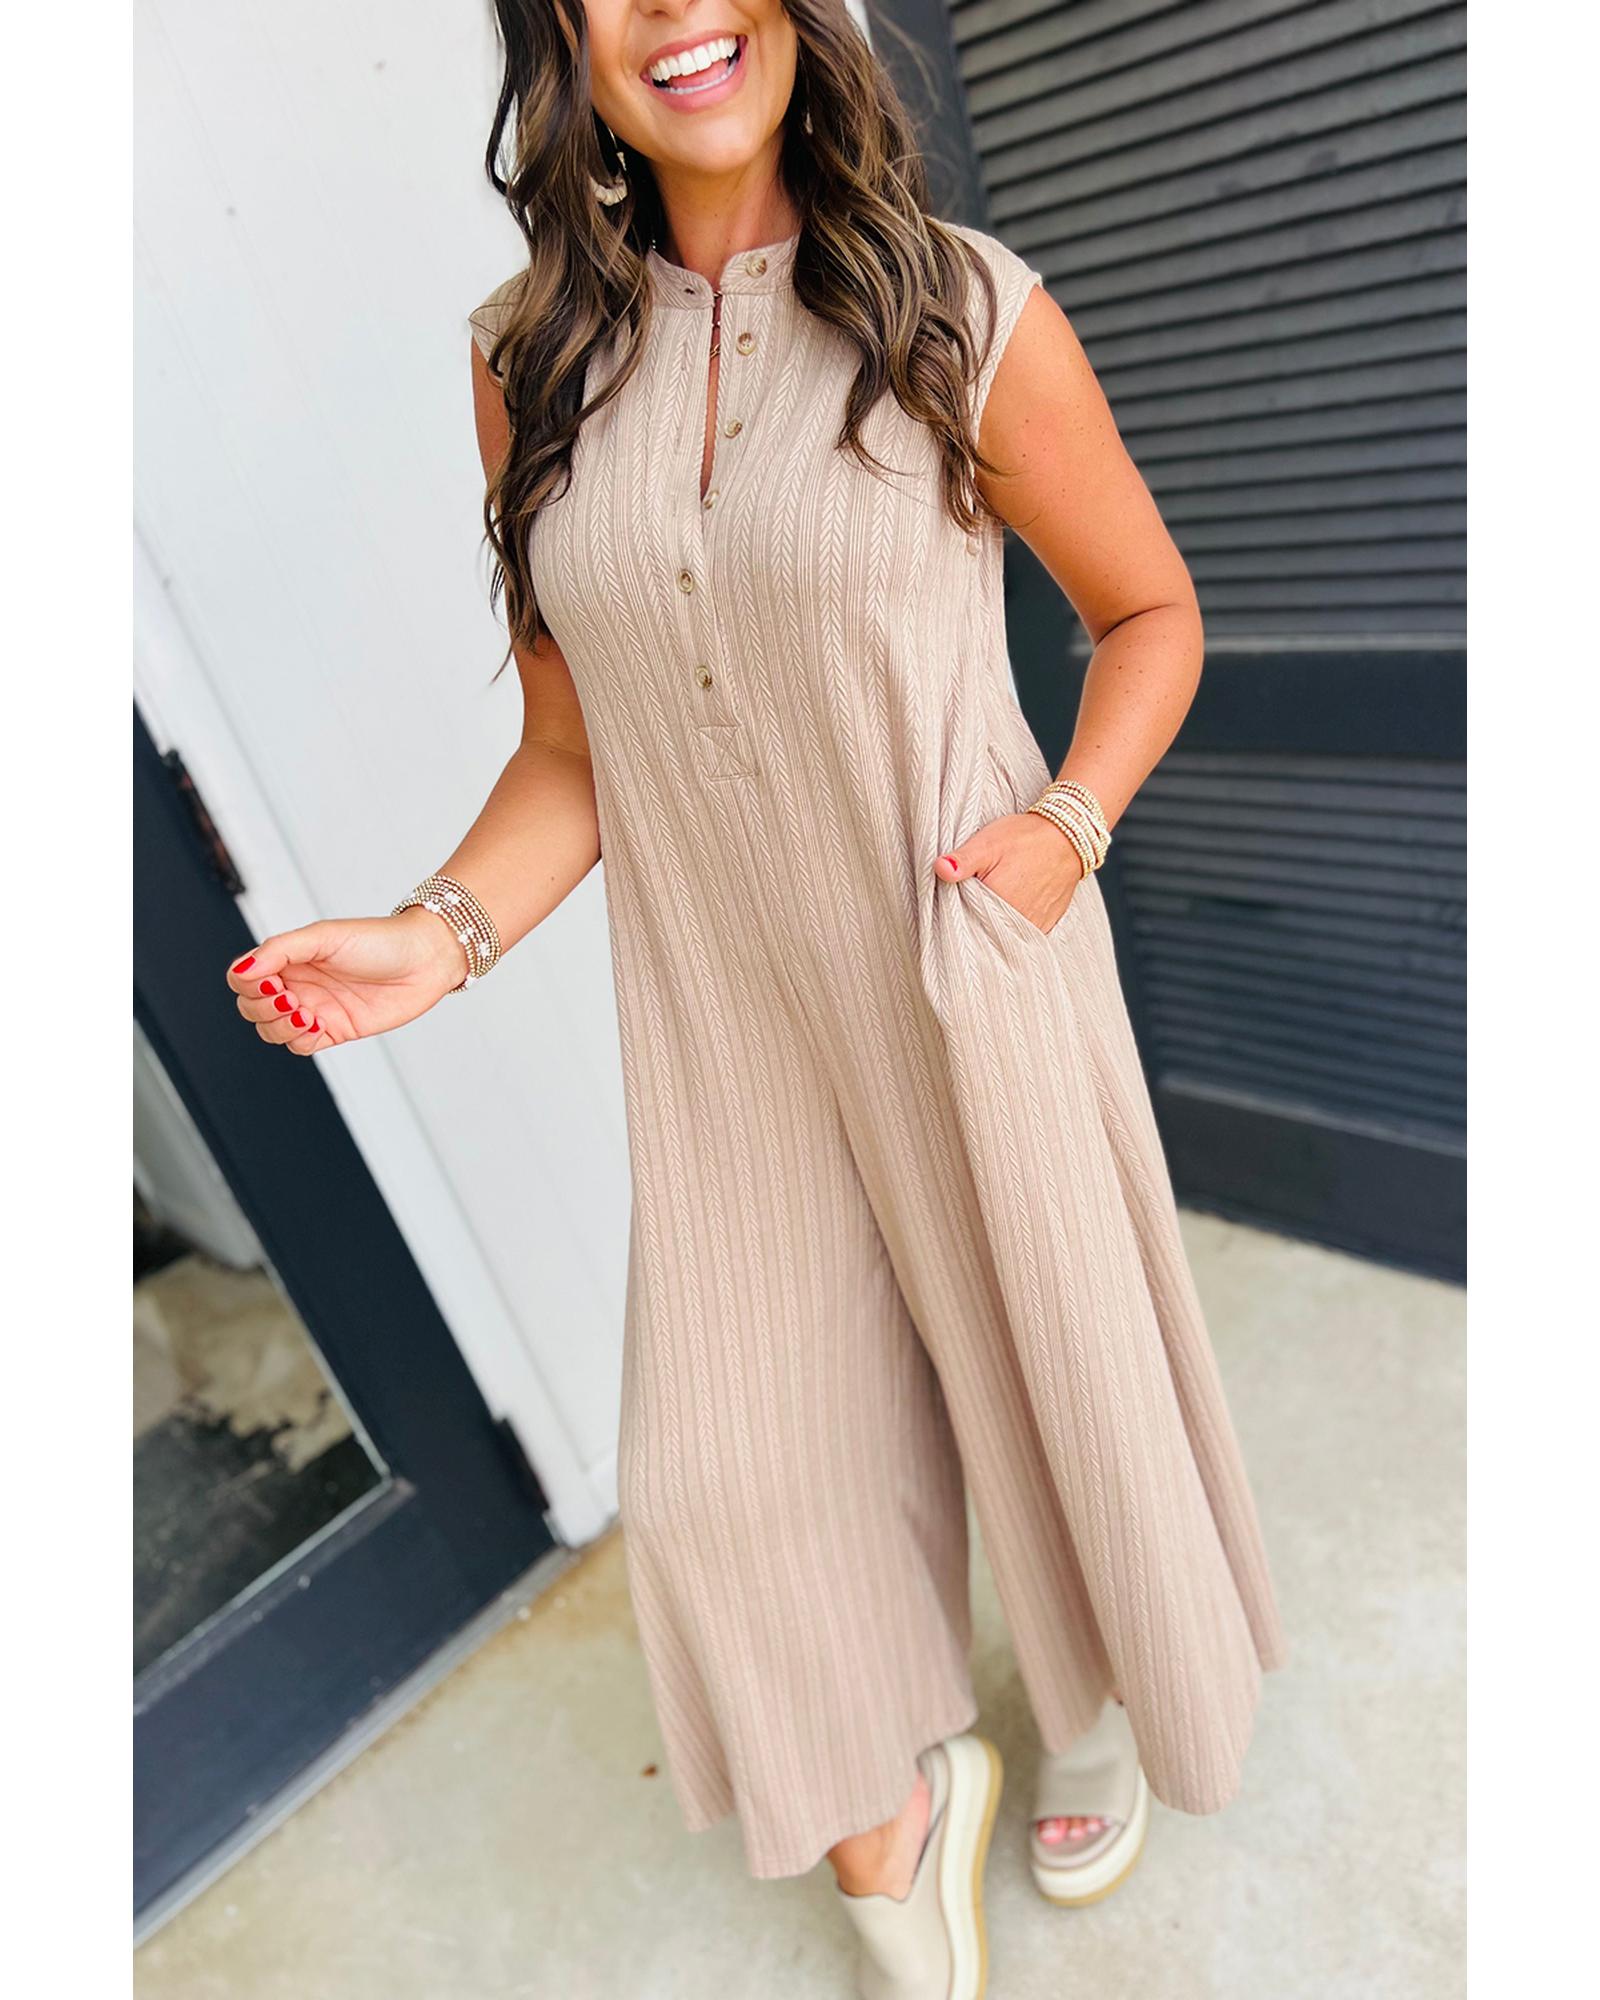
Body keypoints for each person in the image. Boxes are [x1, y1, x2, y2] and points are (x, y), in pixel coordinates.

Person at [223, 4, 1287, 1992]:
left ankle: (1090, 1715)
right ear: (559, 42)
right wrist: (432, 935)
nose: (672, 10)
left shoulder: (961, 310)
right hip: (721, 1021)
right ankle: (897, 1795)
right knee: (722, 1469)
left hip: (963, 963)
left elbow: (1149, 613)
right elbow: (575, 748)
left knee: (1041, 1383)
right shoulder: (527, 363)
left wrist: (1066, 827)